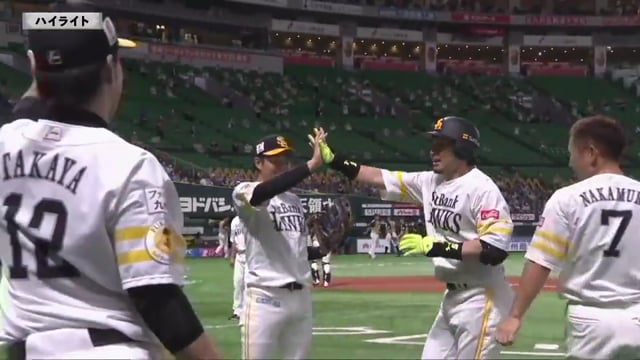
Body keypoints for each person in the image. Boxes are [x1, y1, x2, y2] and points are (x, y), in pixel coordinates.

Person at [0, 1, 220, 358]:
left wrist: (46, 58)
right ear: (111, 67)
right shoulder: (131, 166)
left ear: (33, 68)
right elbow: (157, 297)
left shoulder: (6, 144)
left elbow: (26, 110)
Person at [316, 117, 515, 359]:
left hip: (483, 297)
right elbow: (381, 177)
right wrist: (336, 161)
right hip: (452, 297)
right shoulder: (429, 181)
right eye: (433, 144)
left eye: (441, 144)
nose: (433, 151)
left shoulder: (482, 189)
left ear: (463, 149)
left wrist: (439, 247)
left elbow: (494, 249)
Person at [496, 115, 640, 358]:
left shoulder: (568, 198)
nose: (571, 162)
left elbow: (541, 261)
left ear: (591, 152)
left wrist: (515, 316)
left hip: (591, 320)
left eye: (573, 153)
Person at [232, 130, 328, 359]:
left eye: (285, 161)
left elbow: (294, 250)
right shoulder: (244, 191)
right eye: (274, 160)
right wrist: (312, 164)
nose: (281, 165)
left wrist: (320, 250)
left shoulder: (295, 201)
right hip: (265, 297)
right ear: (258, 162)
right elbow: (265, 192)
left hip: (301, 297)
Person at [229, 215, 247, 322]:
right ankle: (237, 310)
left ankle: (245, 310)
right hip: (239, 257)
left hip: (250, 256)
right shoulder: (235, 221)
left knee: (247, 284)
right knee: (237, 283)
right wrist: (232, 257)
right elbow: (233, 242)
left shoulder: (251, 218)